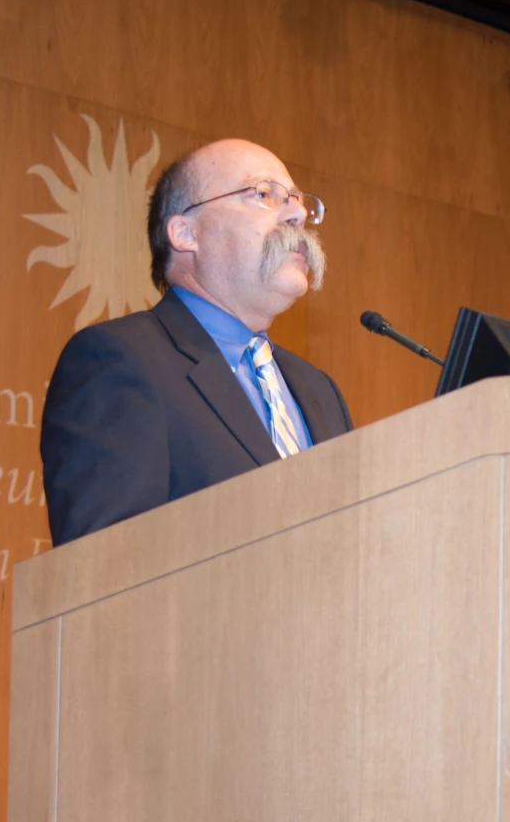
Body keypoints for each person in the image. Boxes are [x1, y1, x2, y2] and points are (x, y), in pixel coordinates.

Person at [40, 138, 351, 545]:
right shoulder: (120, 363)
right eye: (263, 194)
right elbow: (105, 571)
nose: (296, 214)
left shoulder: (319, 390)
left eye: (296, 200)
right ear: (185, 233)